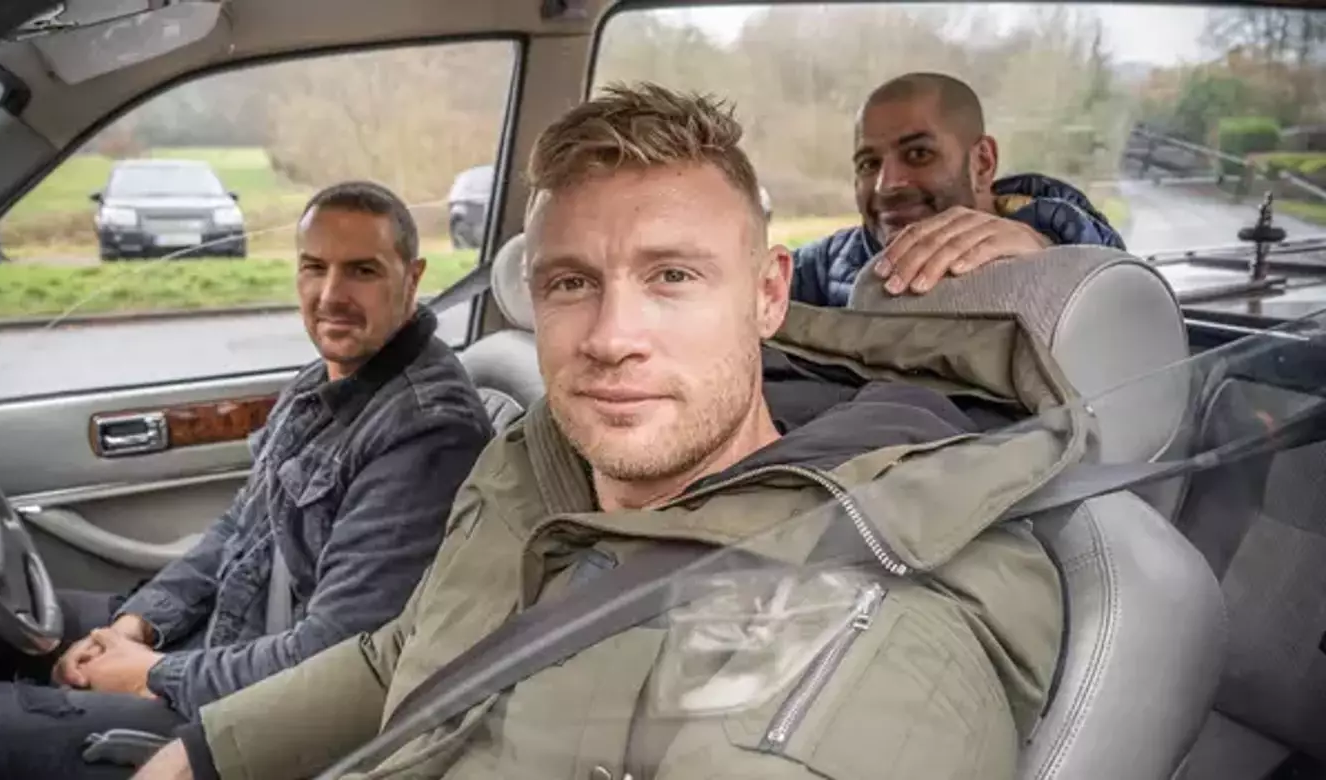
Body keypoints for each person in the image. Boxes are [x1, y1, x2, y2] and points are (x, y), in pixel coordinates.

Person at [135, 83, 1063, 780]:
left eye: (673, 278)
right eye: (572, 284)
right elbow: (407, 652)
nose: (613, 341)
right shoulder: (535, 455)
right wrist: (201, 753)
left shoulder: (878, 598)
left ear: (771, 293)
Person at [0, 181, 495, 778]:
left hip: (251, 719)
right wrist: (135, 625)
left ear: (411, 279)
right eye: (314, 267)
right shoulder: (325, 382)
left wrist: (148, 674)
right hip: (217, 638)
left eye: (362, 271)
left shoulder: (426, 433)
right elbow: (237, 533)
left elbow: (333, 663)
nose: (330, 293)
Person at [792, 71, 1126, 306]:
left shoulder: (1056, 248)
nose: (887, 185)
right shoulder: (834, 262)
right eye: (868, 163)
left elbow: (1128, 316)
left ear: (982, 162)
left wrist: (1054, 264)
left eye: (918, 154)